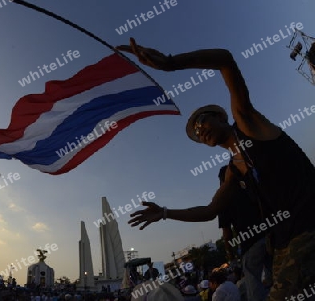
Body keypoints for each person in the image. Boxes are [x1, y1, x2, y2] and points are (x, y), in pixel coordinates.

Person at [118, 37, 315, 300]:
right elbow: (210, 211)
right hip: (283, 240)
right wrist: (164, 212)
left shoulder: (248, 124)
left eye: (201, 121)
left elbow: (225, 59)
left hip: (307, 225)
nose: (200, 131)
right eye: (196, 133)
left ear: (221, 117)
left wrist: (170, 63)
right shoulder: (233, 169)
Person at [217, 165, 272, 301]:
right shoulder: (251, 186)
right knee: (277, 276)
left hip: (250, 244)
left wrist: (231, 256)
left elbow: (227, 234)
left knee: (254, 284)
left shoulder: (223, 201)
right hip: (269, 236)